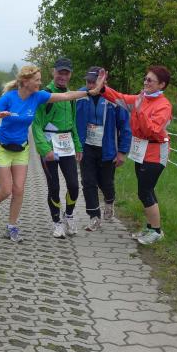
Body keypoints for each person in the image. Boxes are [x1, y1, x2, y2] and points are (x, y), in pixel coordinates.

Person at [0, 64, 98, 242]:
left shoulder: (38, 97)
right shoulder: (9, 98)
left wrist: (89, 92)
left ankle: (12, 226)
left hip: (21, 149)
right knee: (6, 190)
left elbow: (66, 96)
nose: (40, 83)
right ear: (25, 81)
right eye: (37, 80)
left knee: (19, 190)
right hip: (3, 148)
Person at [98, 65, 172, 245]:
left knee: (144, 191)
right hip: (141, 152)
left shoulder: (164, 105)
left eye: (150, 80)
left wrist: (139, 111)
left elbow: (152, 130)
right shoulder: (141, 98)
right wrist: (102, 88)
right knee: (146, 190)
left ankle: (156, 231)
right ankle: (150, 227)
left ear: (161, 85)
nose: (145, 82)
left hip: (155, 152)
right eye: (145, 78)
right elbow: (120, 98)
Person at [32, 57, 83, 238]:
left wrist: (78, 145)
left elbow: (73, 123)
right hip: (49, 147)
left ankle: (68, 215)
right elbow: (36, 125)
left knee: (74, 185)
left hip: (67, 146)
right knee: (54, 187)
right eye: (60, 72)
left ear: (70, 75)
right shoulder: (45, 95)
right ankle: (57, 222)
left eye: (66, 73)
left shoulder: (71, 97)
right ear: (54, 72)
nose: (63, 76)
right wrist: (45, 149)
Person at [76, 66, 132, 232]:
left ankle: (109, 200)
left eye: (94, 81)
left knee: (105, 182)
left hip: (107, 148)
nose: (90, 84)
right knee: (88, 182)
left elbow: (125, 126)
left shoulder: (113, 99)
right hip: (86, 147)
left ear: (103, 82)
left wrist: (122, 151)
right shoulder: (79, 96)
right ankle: (94, 217)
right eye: (88, 81)